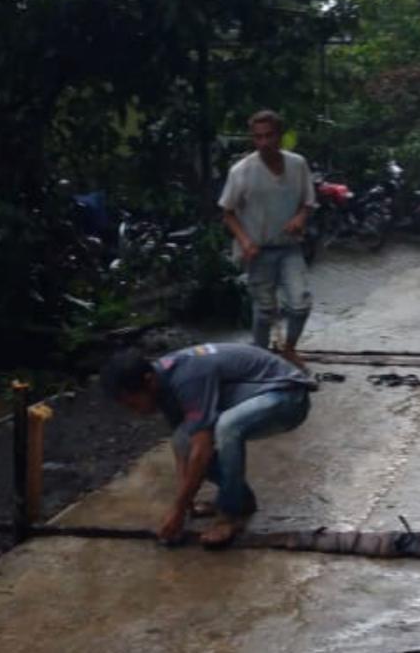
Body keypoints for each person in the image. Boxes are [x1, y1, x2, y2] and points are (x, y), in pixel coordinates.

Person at [101, 343, 315, 547]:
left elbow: (201, 451)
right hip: (257, 395)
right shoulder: (162, 382)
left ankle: (231, 514)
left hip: (288, 396)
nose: (135, 411)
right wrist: (185, 505)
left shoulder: (186, 378)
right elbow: (184, 445)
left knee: (226, 427)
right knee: (184, 438)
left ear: (149, 381)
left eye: (133, 403)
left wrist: (178, 508)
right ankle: (241, 499)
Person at [219, 110, 316, 368]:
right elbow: (227, 213)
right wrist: (245, 240)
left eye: (269, 136)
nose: (264, 143)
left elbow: (308, 202)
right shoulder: (242, 171)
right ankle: (260, 358)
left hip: (289, 246)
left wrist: (301, 218)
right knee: (264, 310)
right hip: (258, 250)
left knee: (300, 304)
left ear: (280, 136)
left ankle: (290, 349)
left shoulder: (297, 164)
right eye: (258, 137)